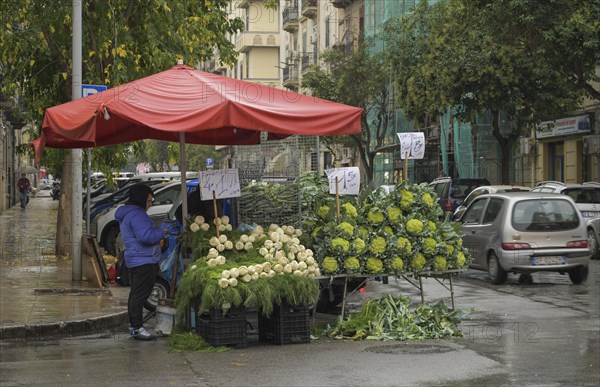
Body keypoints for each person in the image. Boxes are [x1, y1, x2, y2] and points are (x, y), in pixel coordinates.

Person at [115, 184, 165, 341]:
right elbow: (147, 237)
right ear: (142, 199)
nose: (150, 204)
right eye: (149, 200)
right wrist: (162, 231)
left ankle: (135, 326)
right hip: (143, 260)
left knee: (136, 294)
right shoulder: (138, 215)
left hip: (136, 259)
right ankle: (137, 327)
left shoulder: (129, 213)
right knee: (139, 295)